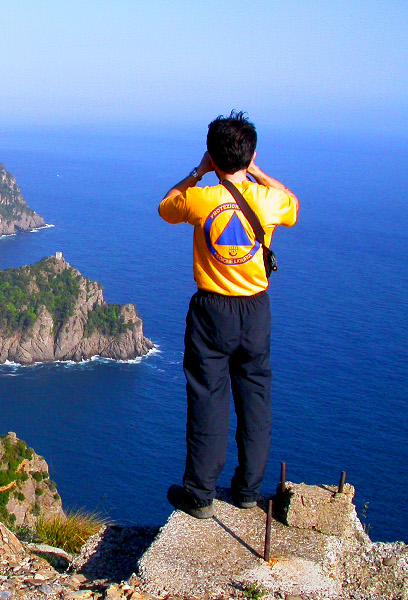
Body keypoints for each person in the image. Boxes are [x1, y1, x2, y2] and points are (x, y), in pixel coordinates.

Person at [158, 111, 299, 519]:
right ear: (250, 153)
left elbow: (167, 207)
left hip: (211, 310)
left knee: (207, 399)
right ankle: (248, 490)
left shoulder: (201, 199)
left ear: (213, 157)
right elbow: (293, 205)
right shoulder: (268, 200)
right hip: (256, 309)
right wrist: (258, 172)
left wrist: (198, 171)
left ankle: (200, 494)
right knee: (256, 399)